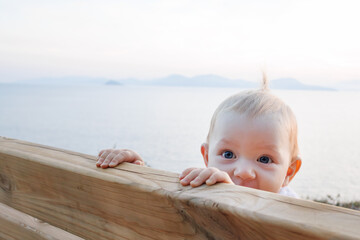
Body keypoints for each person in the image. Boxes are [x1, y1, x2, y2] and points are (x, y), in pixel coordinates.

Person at [96, 76, 302, 197]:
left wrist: (229, 200)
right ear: (206, 157)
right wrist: (135, 171)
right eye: (228, 154)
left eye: (264, 159)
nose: (243, 172)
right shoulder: (202, 187)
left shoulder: (294, 219)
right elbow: (162, 205)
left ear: (289, 173)